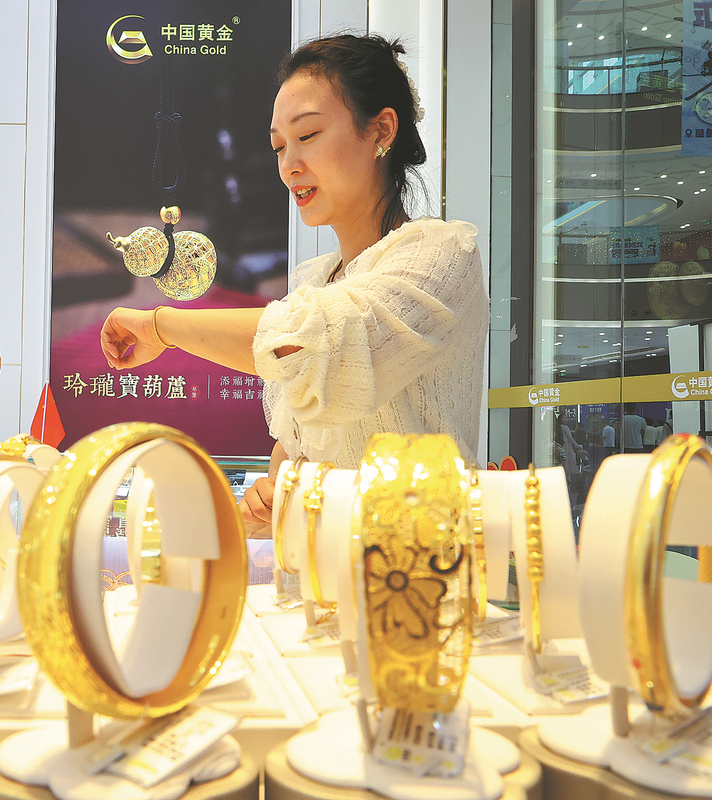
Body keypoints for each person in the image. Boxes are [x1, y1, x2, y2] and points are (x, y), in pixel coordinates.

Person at [99, 35, 488, 528]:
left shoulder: (440, 255)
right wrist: (275, 495)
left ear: (382, 130)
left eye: (308, 135)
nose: (289, 166)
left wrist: (163, 327)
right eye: (279, 147)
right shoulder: (316, 282)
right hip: (320, 565)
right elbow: (300, 447)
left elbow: (323, 346)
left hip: (415, 561)